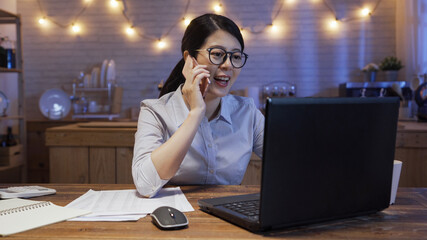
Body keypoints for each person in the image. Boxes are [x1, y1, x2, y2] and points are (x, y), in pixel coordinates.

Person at [132, 13, 264, 197]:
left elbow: (289, 160)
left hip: (228, 220)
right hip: (173, 218)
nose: (228, 65)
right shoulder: (155, 111)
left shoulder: (247, 112)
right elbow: (145, 185)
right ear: (189, 59)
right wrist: (196, 113)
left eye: (235, 56)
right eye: (217, 54)